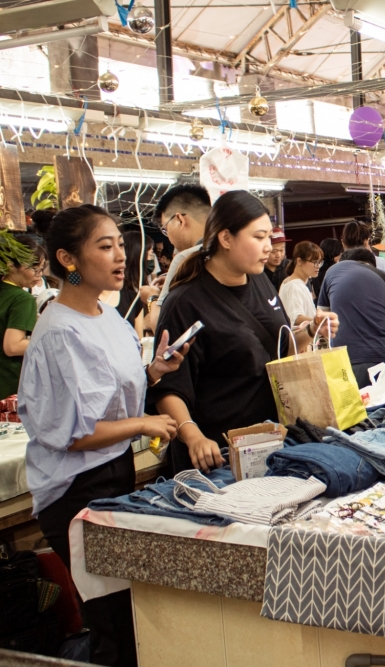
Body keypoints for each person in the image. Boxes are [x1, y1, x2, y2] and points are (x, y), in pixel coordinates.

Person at [20, 204, 192, 667]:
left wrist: (154, 372)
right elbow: (75, 433)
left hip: (112, 474)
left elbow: (110, 393)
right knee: (113, 620)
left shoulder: (107, 314)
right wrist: (143, 423)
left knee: (130, 614)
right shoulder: (59, 332)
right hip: (75, 489)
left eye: (120, 244)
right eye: (104, 246)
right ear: (68, 259)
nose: (120, 256)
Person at [149, 191, 335, 474]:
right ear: (225, 238)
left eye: (268, 237)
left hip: (271, 445)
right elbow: (170, 386)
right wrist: (193, 436)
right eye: (258, 237)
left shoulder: (261, 282)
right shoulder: (185, 303)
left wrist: (311, 329)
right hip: (219, 456)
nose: (268, 247)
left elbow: (281, 347)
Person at [318, 247, 385, 384]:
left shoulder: (334, 271)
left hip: (348, 359)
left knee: (352, 405)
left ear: (342, 262)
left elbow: (322, 320)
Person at [152, 184, 212, 327]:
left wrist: (152, 297)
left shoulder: (184, 258)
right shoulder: (231, 250)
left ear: (180, 220)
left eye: (166, 229)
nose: (169, 238)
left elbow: (159, 325)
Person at [0, 234, 44, 399]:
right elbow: (13, 346)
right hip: (8, 386)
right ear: (11, 266)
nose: (38, 275)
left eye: (41, 269)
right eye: (34, 269)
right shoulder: (21, 298)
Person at [117, 231, 159, 337]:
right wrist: (143, 324)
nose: (151, 260)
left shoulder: (141, 284)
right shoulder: (122, 291)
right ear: (137, 256)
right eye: (150, 254)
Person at [279, 241, 323, 326]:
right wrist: (321, 321)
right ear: (299, 261)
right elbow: (296, 318)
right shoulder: (294, 286)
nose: (318, 266)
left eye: (320, 262)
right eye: (315, 262)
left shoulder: (293, 282)